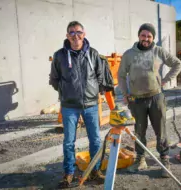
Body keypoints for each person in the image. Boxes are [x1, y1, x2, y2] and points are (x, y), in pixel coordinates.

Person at [118, 23, 181, 177]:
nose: (146, 38)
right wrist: (125, 93)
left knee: (160, 130)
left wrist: (166, 79)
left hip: (156, 97)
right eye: (143, 35)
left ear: (153, 37)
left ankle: (164, 160)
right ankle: (140, 160)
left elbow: (178, 64)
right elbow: (121, 75)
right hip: (136, 100)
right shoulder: (129, 54)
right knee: (139, 131)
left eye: (149, 36)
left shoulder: (158, 51)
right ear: (139, 36)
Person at [49, 21, 105, 187]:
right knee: (68, 142)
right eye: (71, 33)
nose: (75, 35)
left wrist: (94, 91)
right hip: (69, 106)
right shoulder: (59, 56)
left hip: (90, 105)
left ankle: (95, 171)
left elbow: (100, 76)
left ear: (84, 33)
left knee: (95, 140)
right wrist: (66, 92)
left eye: (78, 32)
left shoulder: (93, 54)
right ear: (67, 36)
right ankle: (69, 173)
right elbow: (54, 79)